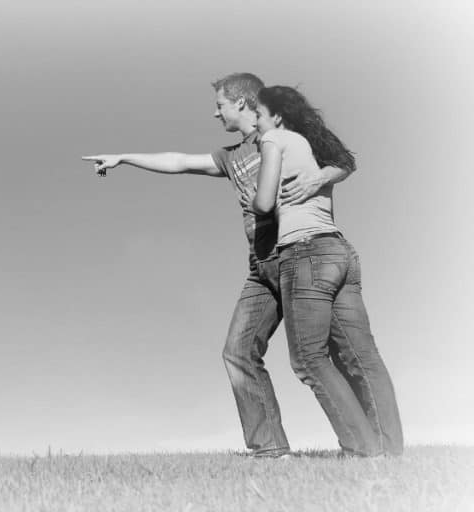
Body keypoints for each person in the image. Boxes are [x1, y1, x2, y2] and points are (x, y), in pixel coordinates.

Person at [82, 73, 353, 458]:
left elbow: (340, 162)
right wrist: (124, 158)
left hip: (299, 255)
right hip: (262, 266)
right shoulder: (231, 156)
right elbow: (178, 161)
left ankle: (362, 446)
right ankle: (271, 451)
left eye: (220, 104)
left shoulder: (281, 133)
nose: (215, 113)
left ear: (242, 103)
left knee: (326, 353)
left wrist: (319, 178)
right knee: (238, 351)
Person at [252, 85, 403, 456]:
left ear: (276, 116)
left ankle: (363, 451)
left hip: (305, 253)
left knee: (308, 357)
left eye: (258, 114)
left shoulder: (274, 138)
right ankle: (388, 452)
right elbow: (347, 162)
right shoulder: (309, 141)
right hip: (339, 252)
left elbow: (264, 202)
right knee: (362, 356)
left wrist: (254, 196)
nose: (256, 122)